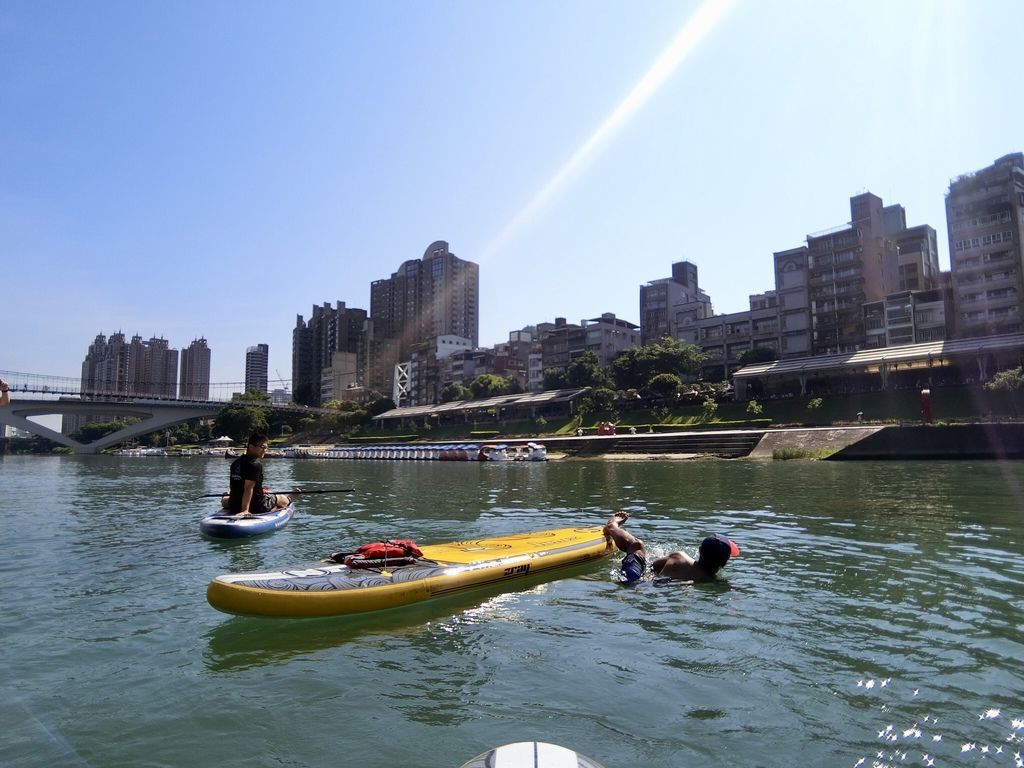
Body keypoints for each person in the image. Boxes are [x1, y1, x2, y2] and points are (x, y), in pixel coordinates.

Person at [602, 511, 739, 583]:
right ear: (724, 563)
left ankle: (612, 526)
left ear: (699, 550)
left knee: (637, 546)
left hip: (633, 581)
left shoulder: (680, 558)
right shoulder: (715, 583)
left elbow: (650, 569)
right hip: (642, 590)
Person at [225, 432, 299, 517]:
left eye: (266, 447)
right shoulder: (255, 464)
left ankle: (225, 497)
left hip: (234, 505)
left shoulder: (235, 463)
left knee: (226, 499)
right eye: (262, 447)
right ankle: (290, 498)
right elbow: (248, 488)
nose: (265, 450)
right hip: (257, 506)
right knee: (279, 498)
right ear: (251, 447)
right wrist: (245, 510)